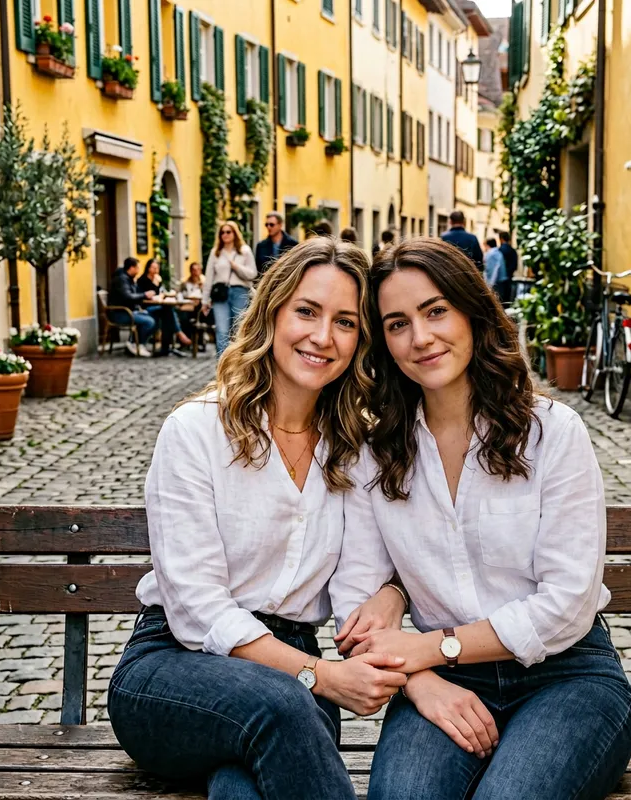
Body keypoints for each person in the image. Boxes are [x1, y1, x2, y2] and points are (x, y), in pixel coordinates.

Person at [330, 238, 631, 800]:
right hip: (440, 682)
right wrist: (420, 679)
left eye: (435, 311)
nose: (420, 338)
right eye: (397, 323)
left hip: (565, 676)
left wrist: (437, 646)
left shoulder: (552, 432)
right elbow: (356, 591)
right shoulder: (375, 451)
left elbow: (567, 601)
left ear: (473, 312)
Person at [108, 237, 408, 800]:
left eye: (345, 322)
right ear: (272, 313)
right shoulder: (197, 431)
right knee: (283, 705)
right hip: (173, 668)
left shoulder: (357, 447)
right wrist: (318, 677)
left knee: (242, 787)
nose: (323, 337)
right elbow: (196, 605)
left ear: (361, 340)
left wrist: (391, 592)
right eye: (307, 311)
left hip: (289, 676)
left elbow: (367, 573)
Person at [202, 221, 258, 356]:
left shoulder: (244, 251)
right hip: (221, 294)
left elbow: (253, 274)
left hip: (240, 291)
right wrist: (204, 300)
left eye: (228, 232)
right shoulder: (215, 253)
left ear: (235, 233)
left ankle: (237, 367)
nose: (225, 235)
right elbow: (209, 277)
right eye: (222, 232)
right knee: (221, 331)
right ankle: (222, 368)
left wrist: (236, 267)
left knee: (238, 330)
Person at [138, 258, 193, 355]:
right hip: (147, 308)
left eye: (157, 268)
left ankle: (166, 346)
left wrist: (158, 285)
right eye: (153, 268)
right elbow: (148, 296)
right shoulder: (142, 280)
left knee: (168, 312)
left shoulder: (157, 279)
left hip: (158, 306)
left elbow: (160, 293)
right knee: (168, 310)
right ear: (148, 268)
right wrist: (156, 286)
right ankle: (178, 334)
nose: (155, 270)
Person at [108, 257, 157, 358]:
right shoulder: (122, 279)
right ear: (131, 268)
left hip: (129, 311)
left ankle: (135, 343)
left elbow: (135, 293)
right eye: (137, 268)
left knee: (155, 313)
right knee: (149, 321)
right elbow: (128, 296)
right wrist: (144, 295)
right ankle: (137, 344)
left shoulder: (128, 279)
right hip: (120, 314)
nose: (138, 271)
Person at [256, 211, 298, 276]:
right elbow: (258, 269)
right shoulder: (261, 246)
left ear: (280, 225)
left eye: (271, 224)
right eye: (266, 224)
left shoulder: (292, 244)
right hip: (267, 282)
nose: (268, 227)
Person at [483, 237, 509, 302]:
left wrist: (489, 284)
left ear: (487, 245)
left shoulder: (491, 254)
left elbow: (492, 271)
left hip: (495, 282)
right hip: (501, 280)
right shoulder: (498, 253)